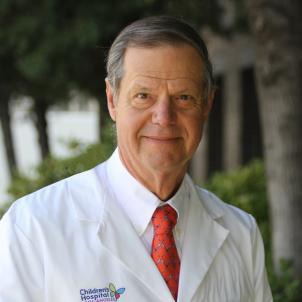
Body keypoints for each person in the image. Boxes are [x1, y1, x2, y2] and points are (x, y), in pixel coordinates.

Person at [0, 16, 272, 302]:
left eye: (184, 97)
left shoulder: (241, 234)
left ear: (208, 104)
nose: (164, 117)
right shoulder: (33, 228)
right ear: (112, 100)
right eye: (143, 96)